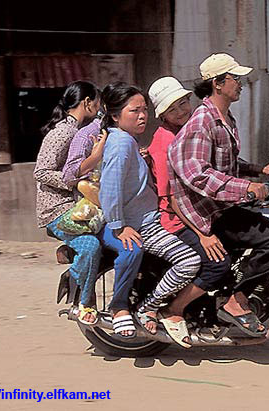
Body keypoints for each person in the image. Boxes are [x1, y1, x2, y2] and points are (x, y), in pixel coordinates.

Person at [168, 53, 269, 337]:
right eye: (234, 78)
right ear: (218, 83)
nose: (240, 83)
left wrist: (260, 169)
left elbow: (229, 164)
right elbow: (198, 174)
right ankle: (235, 300)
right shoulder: (203, 121)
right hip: (207, 214)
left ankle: (244, 293)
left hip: (223, 207)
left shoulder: (225, 118)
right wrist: (245, 188)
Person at [98, 82, 200, 346]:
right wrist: (120, 226)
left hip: (146, 217)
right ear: (114, 115)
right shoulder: (120, 144)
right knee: (189, 261)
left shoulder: (128, 141)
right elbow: (110, 188)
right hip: (142, 224)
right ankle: (149, 306)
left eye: (144, 110)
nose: (142, 116)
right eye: (134, 111)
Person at [147, 76, 232, 331]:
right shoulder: (164, 142)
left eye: (183, 103)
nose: (181, 111)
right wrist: (202, 234)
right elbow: (171, 196)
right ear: (163, 115)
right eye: (172, 109)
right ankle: (172, 309)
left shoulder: (187, 130)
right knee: (218, 263)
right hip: (176, 218)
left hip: (197, 210)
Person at [34, 80, 103, 325]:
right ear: (87, 102)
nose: (100, 107)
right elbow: (40, 172)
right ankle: (81, 296)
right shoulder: (64, 132)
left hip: (75, 208)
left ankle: (74, 277)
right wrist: (72, 181)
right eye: (98, 102)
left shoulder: (82, 130)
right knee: (99, 235)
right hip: (56, 211)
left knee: (92, 245)